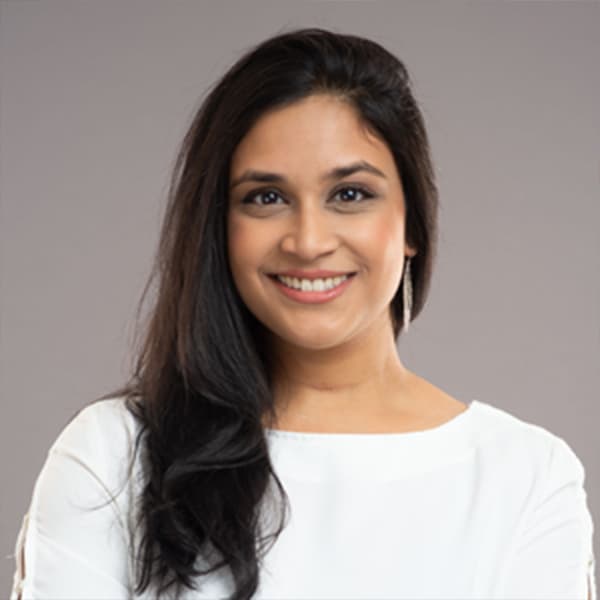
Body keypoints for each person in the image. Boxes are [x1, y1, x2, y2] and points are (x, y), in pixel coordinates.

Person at [10, 27, 596, 600]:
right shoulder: (114, 457)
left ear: (412, 223)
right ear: (220, 226)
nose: (308, 240)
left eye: (349, 195)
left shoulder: (524, 477)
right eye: (266, 197)